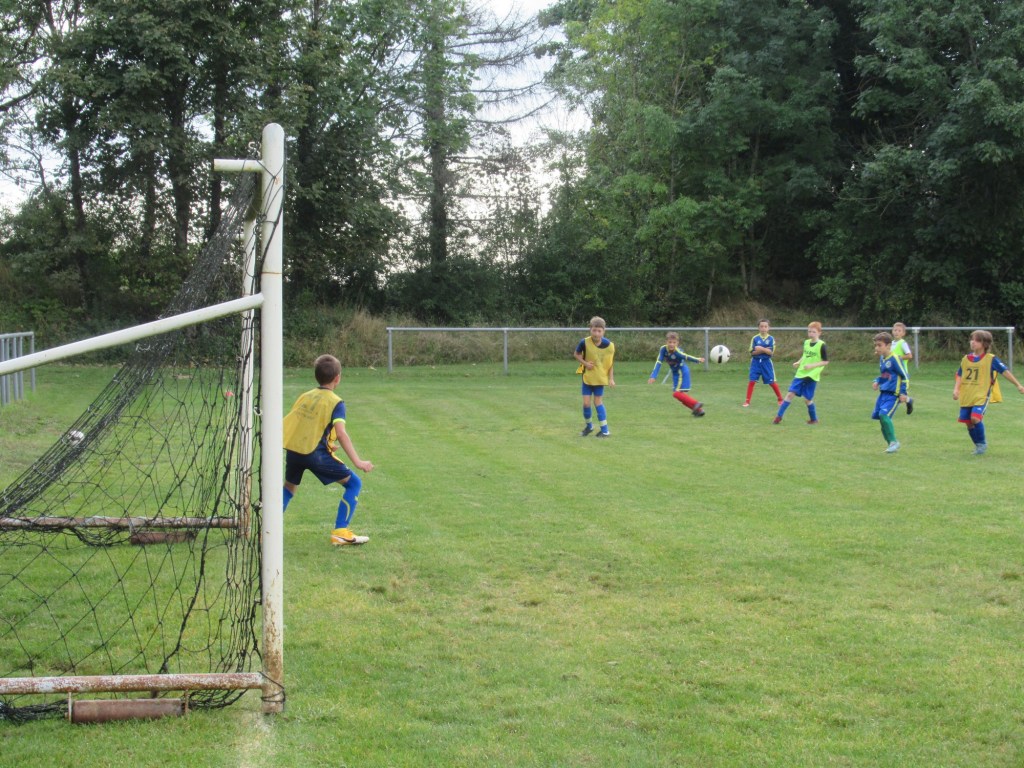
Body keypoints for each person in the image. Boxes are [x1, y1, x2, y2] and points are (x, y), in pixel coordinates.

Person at [282, 354, 375, 545]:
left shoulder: (305, 395)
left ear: (316, 376)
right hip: (314, 454)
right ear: (337, 378)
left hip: (294, 451)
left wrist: (327, 443)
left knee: (289, 488)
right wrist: (358, 462)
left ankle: (268, 529)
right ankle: (341, 532)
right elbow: (341, 433)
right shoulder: (336, 402)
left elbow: (301, 423)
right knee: (354, 483)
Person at [952, 330, 1024, 455]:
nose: (973, 342)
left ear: (984, 344)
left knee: (975, 418)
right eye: (972, 339)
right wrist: (956, 389)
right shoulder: (966, 359)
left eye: (977, 340)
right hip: (967, 396)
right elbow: (960, 374)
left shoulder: (991, 359)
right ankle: (978, 445)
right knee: (968, 423)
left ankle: (982, 444)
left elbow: (1005, 371)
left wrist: (1018, 385)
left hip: (981, 396)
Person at [773, 321, 829, 425]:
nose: (811, 334)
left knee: (807, 399)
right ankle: (778, 417)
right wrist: (798, 362)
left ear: (819, 333)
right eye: (809, 331)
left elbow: (825, 361)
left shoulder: (822, 345)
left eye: (813, 332)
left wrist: (812, 366)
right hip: (801, 373)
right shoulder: (806, 343)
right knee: (790, 394)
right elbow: (805, 355)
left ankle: (814, 419)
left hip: (812, 375)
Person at [647, 331, 705, 416]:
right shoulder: (663, 349)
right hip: (675, 374)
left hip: (681, 372)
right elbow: (659, 362)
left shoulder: (678, 352)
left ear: (677, 343)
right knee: (678, 395)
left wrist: (697, 360)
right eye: (670, 342)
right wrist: (653, 376)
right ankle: (699, 411)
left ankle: (696, 403)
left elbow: (686, 356)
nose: (671, 344)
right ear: (666, 342)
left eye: (674, 342)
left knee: (677, 393)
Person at [575, 316, 616, 436]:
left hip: (599, 379)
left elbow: (610, 364)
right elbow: (576, 354)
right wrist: (585, 363)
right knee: (586, 403)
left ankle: (605, 431)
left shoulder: (609, 346)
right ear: (590, 329)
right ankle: (589, 427)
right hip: (587, 378)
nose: (596, 333)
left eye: (599, 331)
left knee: (598, 402)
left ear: (604, 331)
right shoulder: (584, 342)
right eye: (594, 330)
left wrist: (611, 378)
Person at [871, 332, 909, 453]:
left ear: (888, 345)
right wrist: (877, 381)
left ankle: (894, 442)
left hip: (894, 394)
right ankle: (891, 445)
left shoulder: (895, 358)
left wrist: (903, 393)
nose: (877, 348)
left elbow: (905, 376)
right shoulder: (882, 359)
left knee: (884, 415)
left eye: (879, 345)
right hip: (883, 393)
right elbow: (886, 375)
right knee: (881, 419)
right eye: (876, 345)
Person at [743, 319, 784, 407]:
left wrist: (760, 349)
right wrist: (765, 350)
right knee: (752, 381)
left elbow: (770, 352)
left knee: (771, 382)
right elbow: (752, 352)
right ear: (758, 328)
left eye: (765, 326)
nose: (763, 328)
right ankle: (747, 401)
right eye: (761, 326)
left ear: (769, 328)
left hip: (766, 363)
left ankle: (780, 399)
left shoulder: (771, 339)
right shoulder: (755, 338)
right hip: (755, 362)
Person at [891, 322, 914, 414]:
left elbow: (909, 355)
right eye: (895, 330)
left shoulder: (902, 343)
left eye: (899, 331)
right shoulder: (891, 343)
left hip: (902, 373)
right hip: (893, 373)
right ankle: (907, 400)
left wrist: (899, 357)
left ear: (903, 333)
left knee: (901, 395)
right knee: (893, 392)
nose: (897, 332)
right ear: (892, 331)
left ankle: (908, 400)